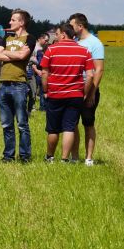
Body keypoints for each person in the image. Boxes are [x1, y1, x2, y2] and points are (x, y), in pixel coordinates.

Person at [40, 23, 95, 163]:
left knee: (53, 129)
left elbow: (44, 73)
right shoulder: (84, 51)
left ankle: (50, 157)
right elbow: (90, 75)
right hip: (75, 95)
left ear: (63, 34)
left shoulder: (51, 50)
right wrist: (84, 93)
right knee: (69, 127)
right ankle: (65, 159)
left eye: (57, 34)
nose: (56, 37)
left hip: (55, 94)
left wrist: (45, 90)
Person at [0, 9, 37, 163]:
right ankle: (8, 156)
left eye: (13, 20)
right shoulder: (7, 37)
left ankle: (25, 156)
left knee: (22, 124)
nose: (9, 22)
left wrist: (6, 53)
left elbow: (22, 56)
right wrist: (14, 54)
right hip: (3, 85)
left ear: (21, 22)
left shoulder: (30, 38)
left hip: (19, 84)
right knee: (6, 124)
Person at [68, 13, 105, 166]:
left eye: (72, 25)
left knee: (88, 123)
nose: (70, 28)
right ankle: (75, 156)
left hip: (89, 89)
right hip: (74, 89)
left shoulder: (94, 43)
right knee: (73, 124)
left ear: (80, 26)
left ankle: (88, 158)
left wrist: (91, 93)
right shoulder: (75, 42)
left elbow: (99, 70)